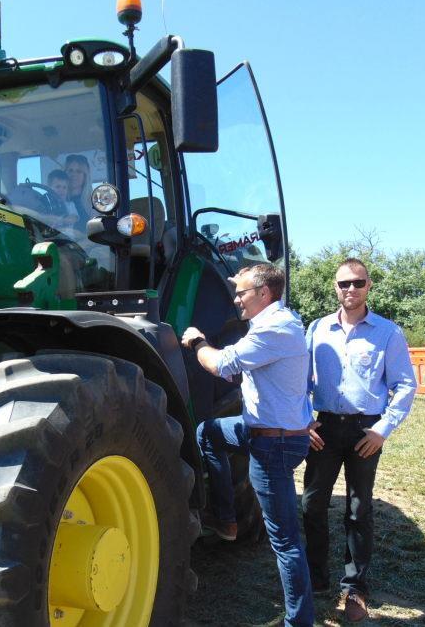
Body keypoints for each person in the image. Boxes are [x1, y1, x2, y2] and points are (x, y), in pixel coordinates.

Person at [181, 264, 315, 627]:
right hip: (264, 429)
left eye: (241, 292)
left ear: (264, 294)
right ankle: (226, 521)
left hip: (274, 443)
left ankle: (298, 621)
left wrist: (196, 341)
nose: (236, 298)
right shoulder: (273, 324)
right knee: (207, 433)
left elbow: (223, 364)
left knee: (285, 542)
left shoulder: (275, 328)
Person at [302, 258, 417, 623]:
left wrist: (382, 430)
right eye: (343, 283)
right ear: (335, 287)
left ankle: (354, 588)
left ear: (369, 286)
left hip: (365, 431)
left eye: (357, 283)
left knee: (358, 508)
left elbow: (405, 385)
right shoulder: (317, 329)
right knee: (311, 504)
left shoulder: (387, 333)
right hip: (323, 429)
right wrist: (304, 421)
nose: (350, 289)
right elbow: (299, 381)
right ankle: (315, 578)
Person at [64, 154, 92, 222]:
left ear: (85, 176)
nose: (74, 174)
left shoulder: (94, 202)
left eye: (79, 171)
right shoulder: (56, 199)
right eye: (70, 170)